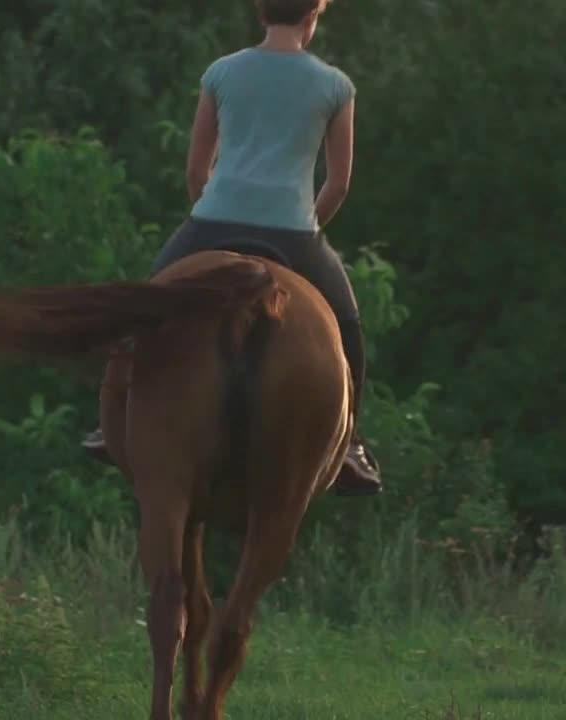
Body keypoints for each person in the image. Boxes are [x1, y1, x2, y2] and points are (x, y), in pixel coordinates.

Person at [80, 0, 382, 496]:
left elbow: (197, 168)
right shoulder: (335, 85)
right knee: (347, 326)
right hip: (293, 231)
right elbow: (340, 183)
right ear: (314, 15)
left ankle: (110, 419)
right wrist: (308, 225)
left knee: (144, 305)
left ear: (261, 12)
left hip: (213, 219)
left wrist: (212, 209)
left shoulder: (222, 72)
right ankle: (351, 444)